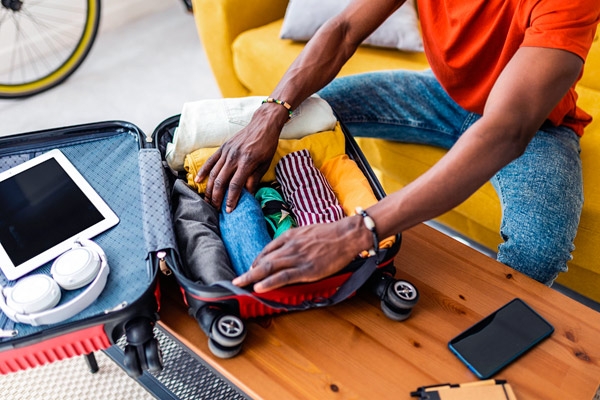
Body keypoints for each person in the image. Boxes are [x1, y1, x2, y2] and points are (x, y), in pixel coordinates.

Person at [195, 0, 600, 293]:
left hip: (534, 128)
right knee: (302, 114)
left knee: (538, 248)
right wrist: (272, 111)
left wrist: (358, 230)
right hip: (442, 93)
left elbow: (504, 131)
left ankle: (483, 346)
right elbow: (344, 30)